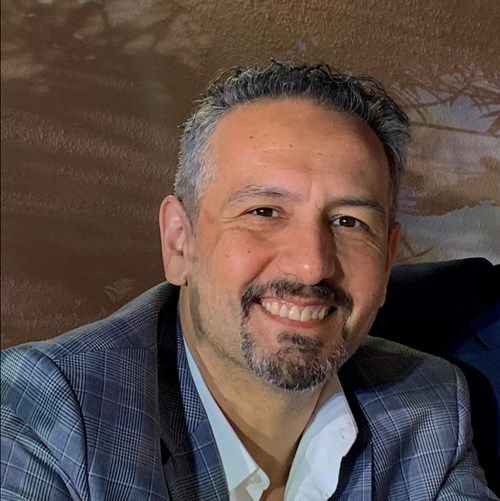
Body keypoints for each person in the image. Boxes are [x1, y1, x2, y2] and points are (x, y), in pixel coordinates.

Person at [1, 62, 496, 500]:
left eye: (348, 221)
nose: (312, 266)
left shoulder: (428, 407)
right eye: (264, 211)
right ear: (179, 242)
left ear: (387, 260)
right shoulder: (49, 411)